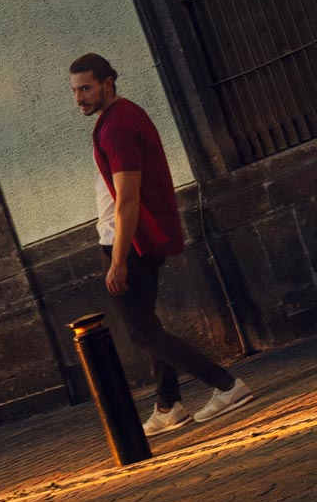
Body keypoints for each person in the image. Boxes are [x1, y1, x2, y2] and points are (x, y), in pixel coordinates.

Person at [71, 53, 250, 433]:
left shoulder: (117, 127)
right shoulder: (122, 116)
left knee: (141, 331)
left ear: (108, 83)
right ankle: (169, 406)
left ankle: (227, 384)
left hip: (128, 242)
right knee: (148, 324)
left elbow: (129, 198)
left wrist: (118, 259)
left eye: (86, 88)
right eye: (75, 90)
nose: (79, 98)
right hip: (135, 239)